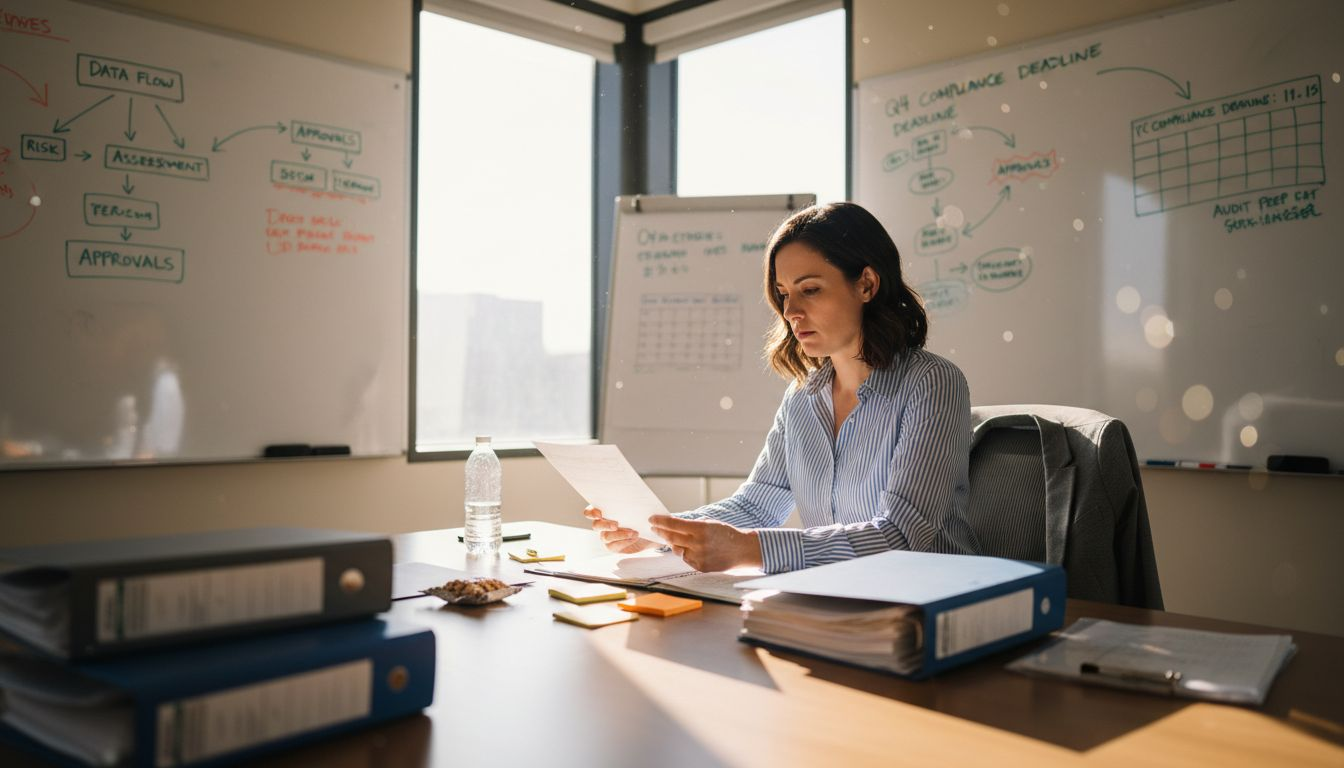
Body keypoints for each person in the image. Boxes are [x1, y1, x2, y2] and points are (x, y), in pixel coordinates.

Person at [585, 201, 981, 573]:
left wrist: (748, 549)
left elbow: (901, 536)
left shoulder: (932, 383)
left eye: (810, 289)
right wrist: (656, 532)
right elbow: (757, 506)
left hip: (929, 604)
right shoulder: (803, 398)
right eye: (783, 294)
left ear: (866, 284)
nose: (791, 312)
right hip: (839, 600)